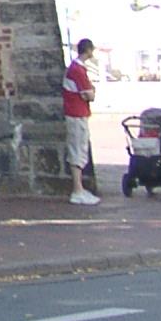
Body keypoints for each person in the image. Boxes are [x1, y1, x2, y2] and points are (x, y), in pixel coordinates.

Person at [64, 38, 99, 205]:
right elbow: (89, 94)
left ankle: (79, 189)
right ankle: (77, 190)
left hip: (76, 113)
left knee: (78, 149)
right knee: (78, 150)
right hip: (77, 114)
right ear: (89, 50)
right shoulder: (78, 70)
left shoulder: (75, 68)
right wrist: (92, 92)